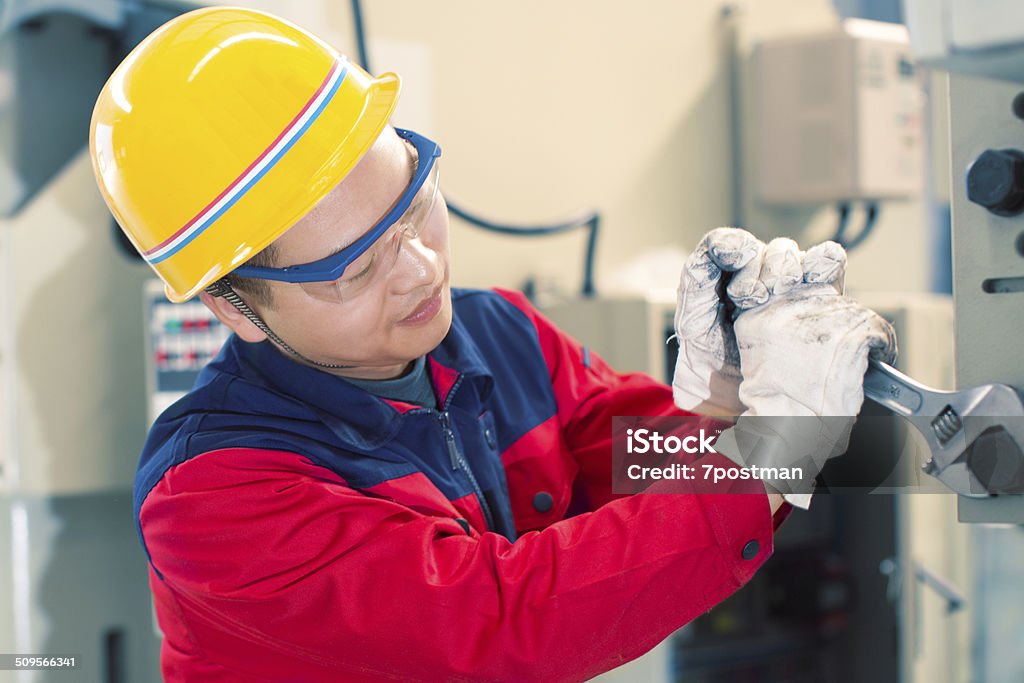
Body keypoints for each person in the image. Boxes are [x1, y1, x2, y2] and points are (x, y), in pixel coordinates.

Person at [90, 7, 895, 682]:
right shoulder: (213, 496)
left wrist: (729, 402)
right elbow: (501, 620)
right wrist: (769, 451)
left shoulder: (493, 334)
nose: (420, 270)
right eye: (354, 268)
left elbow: (628, 459)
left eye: (413, 204)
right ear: (235, 308)